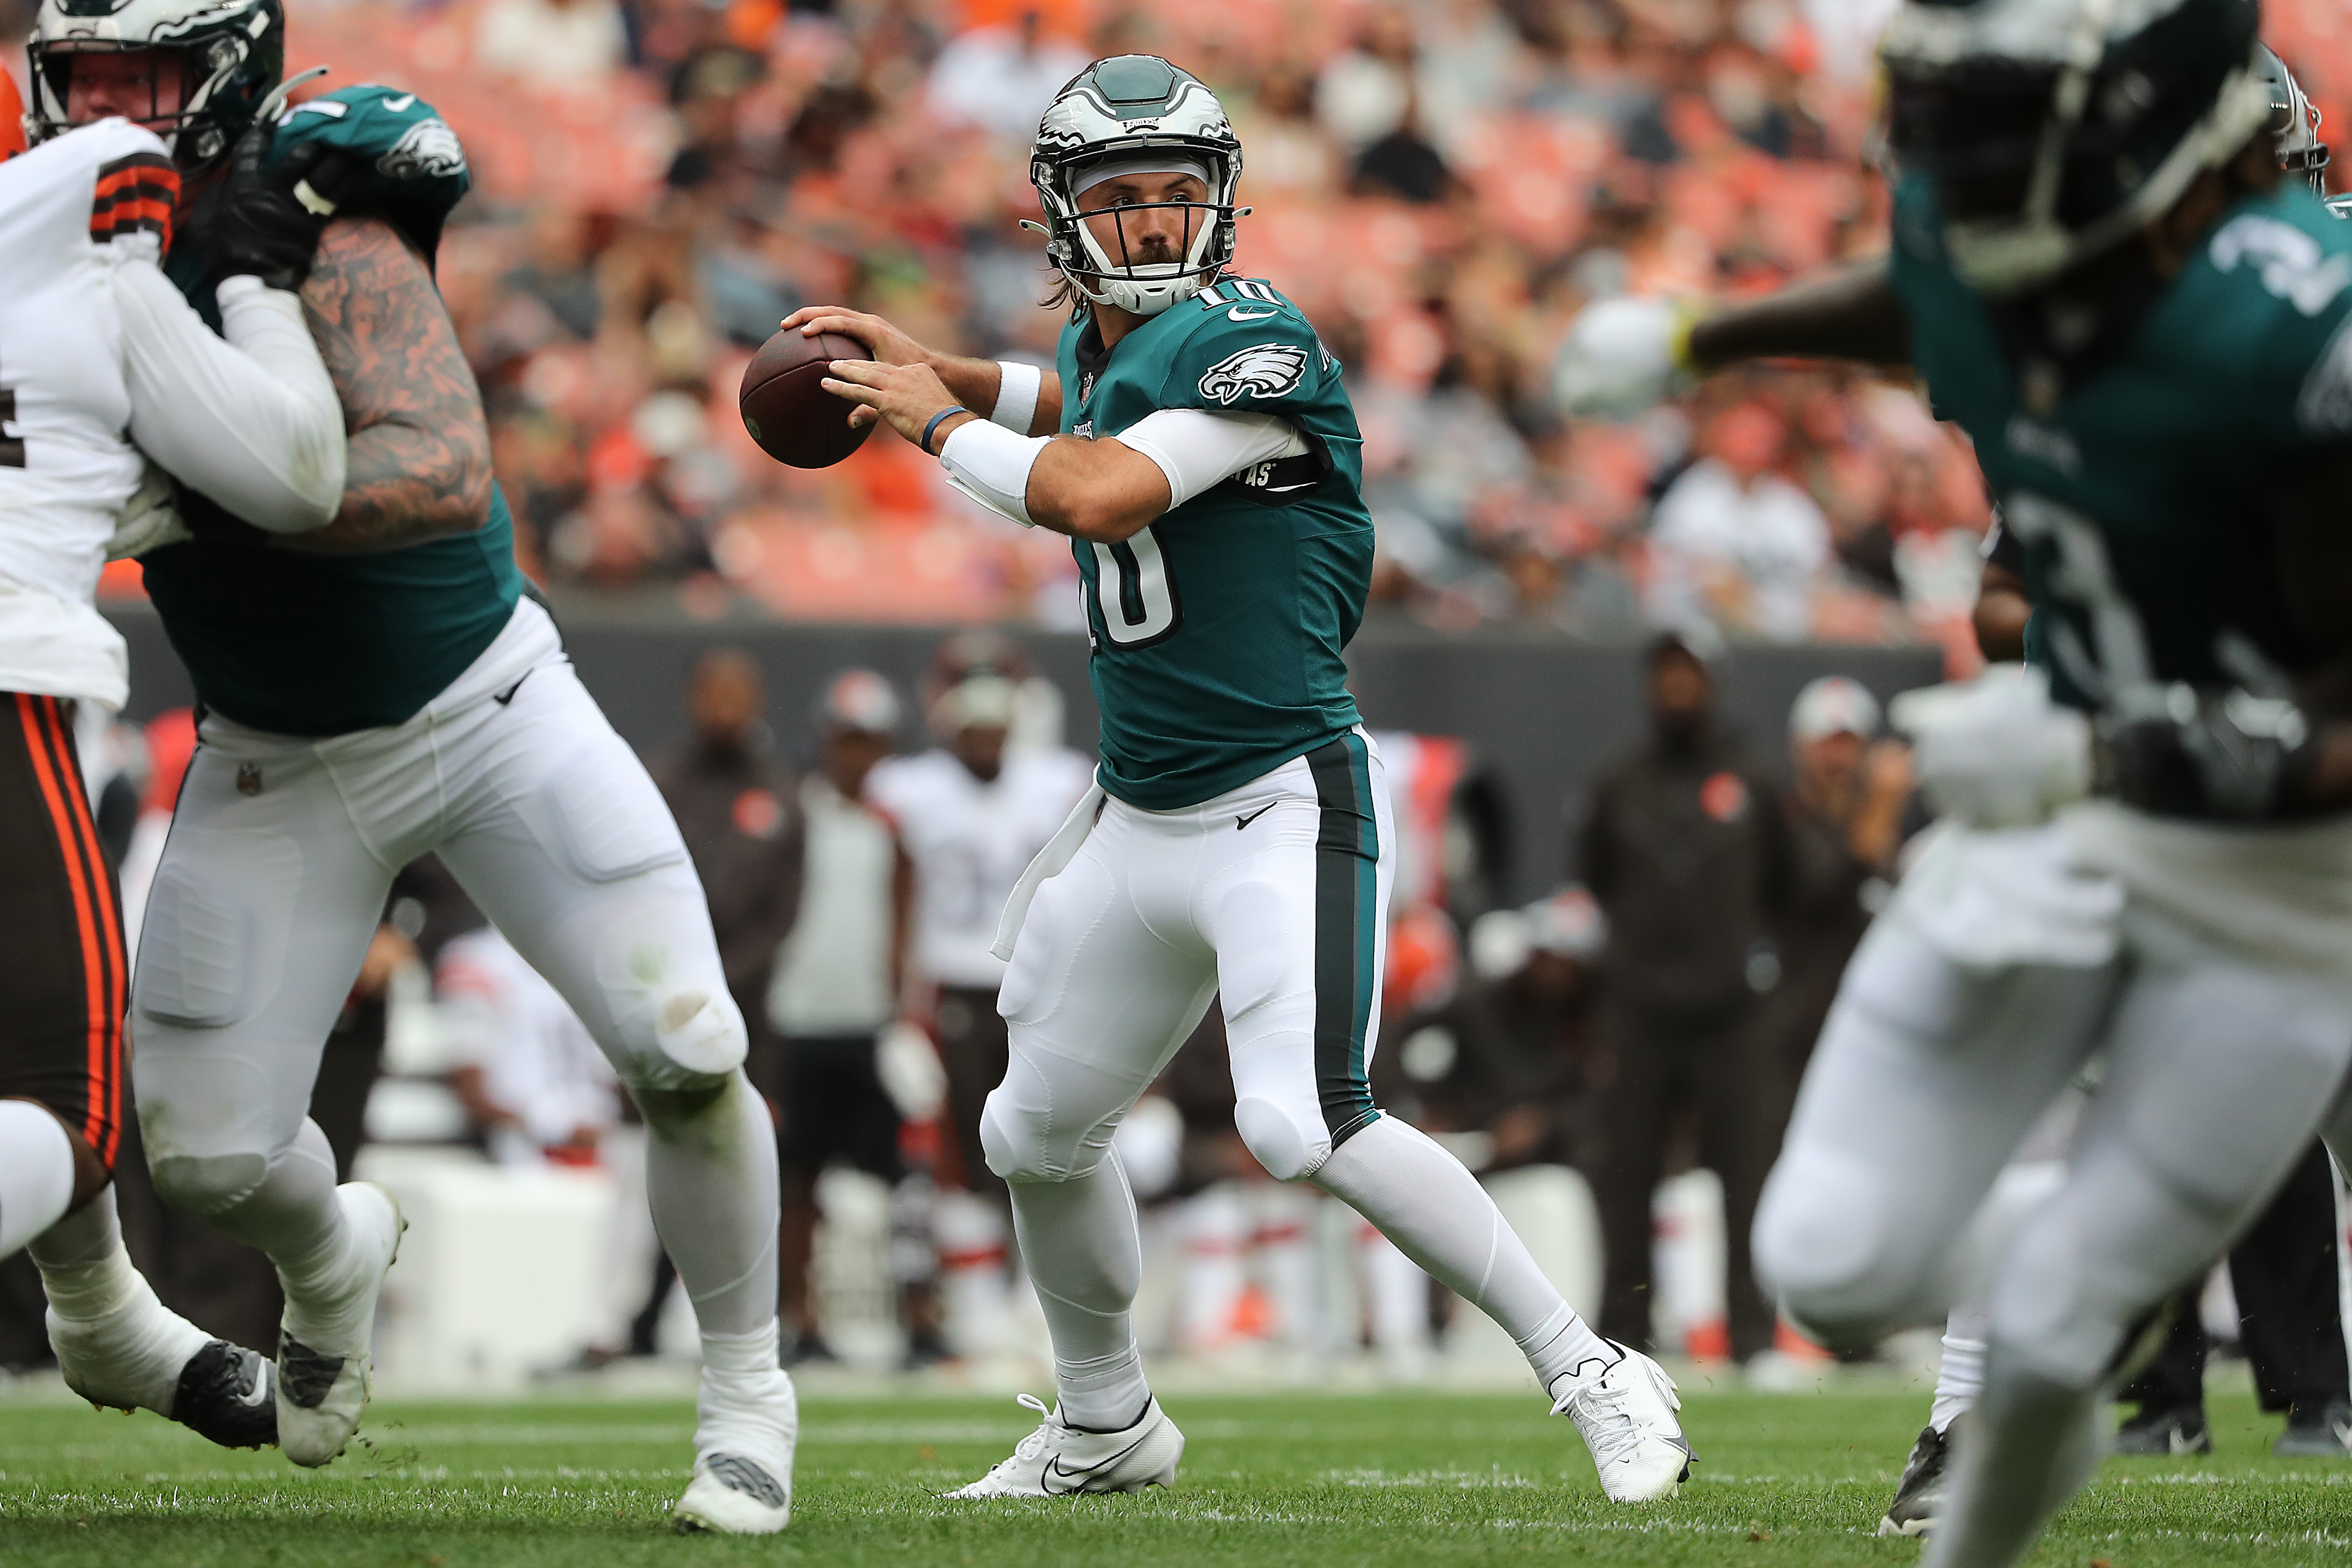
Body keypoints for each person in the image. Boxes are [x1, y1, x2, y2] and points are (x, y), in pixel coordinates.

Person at [785, 52, 1691, 1503]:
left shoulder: (1253, 339)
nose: (1150, 223)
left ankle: (1590, 1364)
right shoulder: (1110, 345)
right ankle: (1106, 1424)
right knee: (1029, 1128)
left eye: (1176, 195)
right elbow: (1060, 386)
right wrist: (935, 364)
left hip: (1278, 797)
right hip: (1141, 813)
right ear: (1061, 216)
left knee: (1299, 1119)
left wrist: (927, 419)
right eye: (1119, 198)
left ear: (1221, 205)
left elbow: (1098, 485)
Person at [1554, 5, 2352, 1565]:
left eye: (2009, 157)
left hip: (2278, 884)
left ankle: (2040, 1381)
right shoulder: (2028, 245)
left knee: (2064, 1306)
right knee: (1830, 1260)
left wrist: (2127, 737)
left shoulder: (2292, 338)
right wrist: (1692, 338)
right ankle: (2051, 1323)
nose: (1960, 200)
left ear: (2189, 174)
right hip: (2069, 833)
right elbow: (1926, 299)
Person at [30, 1, 794, 1531]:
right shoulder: (49, 255)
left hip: (486, 707)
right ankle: (334, 1256)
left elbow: (439, 468)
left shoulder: (307, 226)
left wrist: (191, 503)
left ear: (226, 78)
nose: (117, 111)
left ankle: (745, 1388)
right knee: (205, 1154)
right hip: (273, 759)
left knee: (687, 1042)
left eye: (150, 79)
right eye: (88, 79)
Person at [0, 90, 355, 1451]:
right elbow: (294, 474)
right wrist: (259, 283)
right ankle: (105, 1319)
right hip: (8, 680)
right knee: (68, 1109)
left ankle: (106, 1319)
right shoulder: (94, 242)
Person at [1577, 631, 1789, 1368]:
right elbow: (1597, 877)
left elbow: (1786, 885)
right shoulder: (1618, 782)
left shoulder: (1753, 778)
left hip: (1730, 1011)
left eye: (1688, 673)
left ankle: (1753, 1334)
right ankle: (1625, 1334)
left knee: (1746, 1176)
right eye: (1664, 672)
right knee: (1627, 1174)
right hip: (1639, 1011)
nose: (1676, 687)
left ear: (1712, 681)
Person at [763, 670, 925, 1364]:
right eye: (847, 739)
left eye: (870, 741)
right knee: (798, 1180)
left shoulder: (895, 826)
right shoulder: (795, 814)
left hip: (869, 1022)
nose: (857, 755)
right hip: (797, 1018)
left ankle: (920, 1316)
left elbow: (904, 920)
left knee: (908, 1178)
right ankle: (801, 1318)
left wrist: (902, 1008)